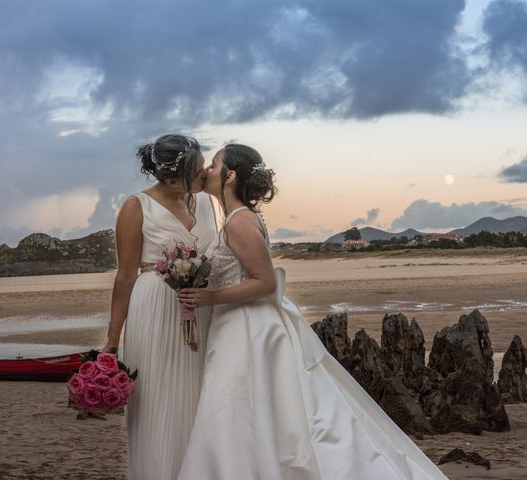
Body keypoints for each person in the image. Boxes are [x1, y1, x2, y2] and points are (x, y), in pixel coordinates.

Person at [177, 144, 448, 480]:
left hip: (247, 327)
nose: (209, 172)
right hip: (242, 322)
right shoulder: (240, 218)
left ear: (230, 176)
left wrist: (208, 298)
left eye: (215, 165)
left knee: (240, 406)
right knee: (253, 409)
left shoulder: (239, 223)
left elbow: (265, 283)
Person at [102, 134, 217, 480]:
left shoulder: (207, 203)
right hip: (155, 311)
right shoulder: (136, 207)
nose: (205, 175)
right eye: (197, 171)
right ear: (170, 176)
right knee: (158, 405)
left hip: (204, 309)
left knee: (202, 400)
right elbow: (124, 277)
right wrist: (111, 341)